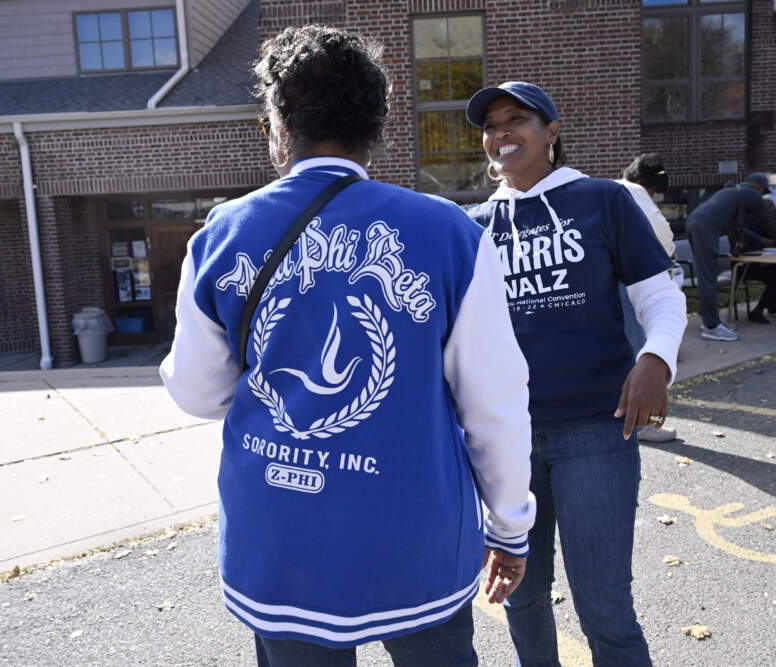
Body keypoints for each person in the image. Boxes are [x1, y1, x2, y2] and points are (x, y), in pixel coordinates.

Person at [159, 27, 536, 667]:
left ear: (277, 127)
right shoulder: (449, 232)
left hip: (278, 537)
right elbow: (494, 403)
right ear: (377, 128)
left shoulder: (221, 234)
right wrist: (509, 524)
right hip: (413, 535)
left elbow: (196, 392)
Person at [463, 81, 687, 666]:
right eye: (490, 126)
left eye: (517, 119)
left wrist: (655, 359)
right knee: (520, 598)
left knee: (605, 609)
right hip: (506, 442)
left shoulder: (603, 201)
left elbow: (661, 299)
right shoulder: (476, 224)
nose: (500, 133)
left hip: (594, 431)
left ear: (552, 132)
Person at [616, 153, 682, 443]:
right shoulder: (633, 193)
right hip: (627, 283)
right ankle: (643, 424)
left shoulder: (610, 188)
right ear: (647, 183)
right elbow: (664, 237)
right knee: (640, 353)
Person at [684, 172, 776, 341]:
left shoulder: (734, 193)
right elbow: (765, 220)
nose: (762, 196)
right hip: (704, 228)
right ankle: (711, 326)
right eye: (763, 192)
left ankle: (713, 321)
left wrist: (764, 241)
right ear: (760, 187)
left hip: (697, 224)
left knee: (707, 275)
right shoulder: (751, 194)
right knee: (708, 276)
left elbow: (738, 229)